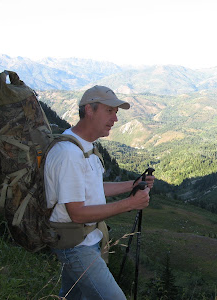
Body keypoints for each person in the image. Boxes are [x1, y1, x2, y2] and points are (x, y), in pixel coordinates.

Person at [44, 85, 154, 300]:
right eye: (109, 111)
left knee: (71, 297)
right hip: (76, 246)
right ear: (89, 110)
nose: (115, 119)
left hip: (84, 240)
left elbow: (92, 189)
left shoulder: (86, 148)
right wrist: (130, 204)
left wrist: (133, 184)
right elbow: (77, 213)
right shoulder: (69, 154)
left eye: (116, 113)